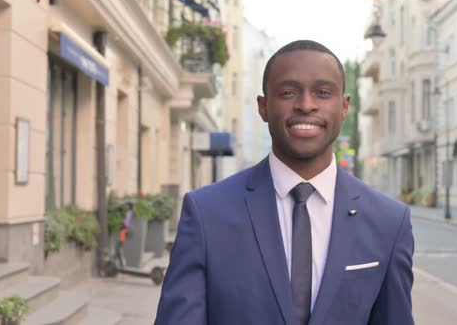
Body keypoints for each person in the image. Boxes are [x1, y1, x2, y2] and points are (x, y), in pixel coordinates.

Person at [155, 40, 414, 325]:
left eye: (323, 92)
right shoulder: (206, 213)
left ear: (343, 107)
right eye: (288, 92)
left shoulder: (389, 221)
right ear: (264, 107)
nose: (305, 105)